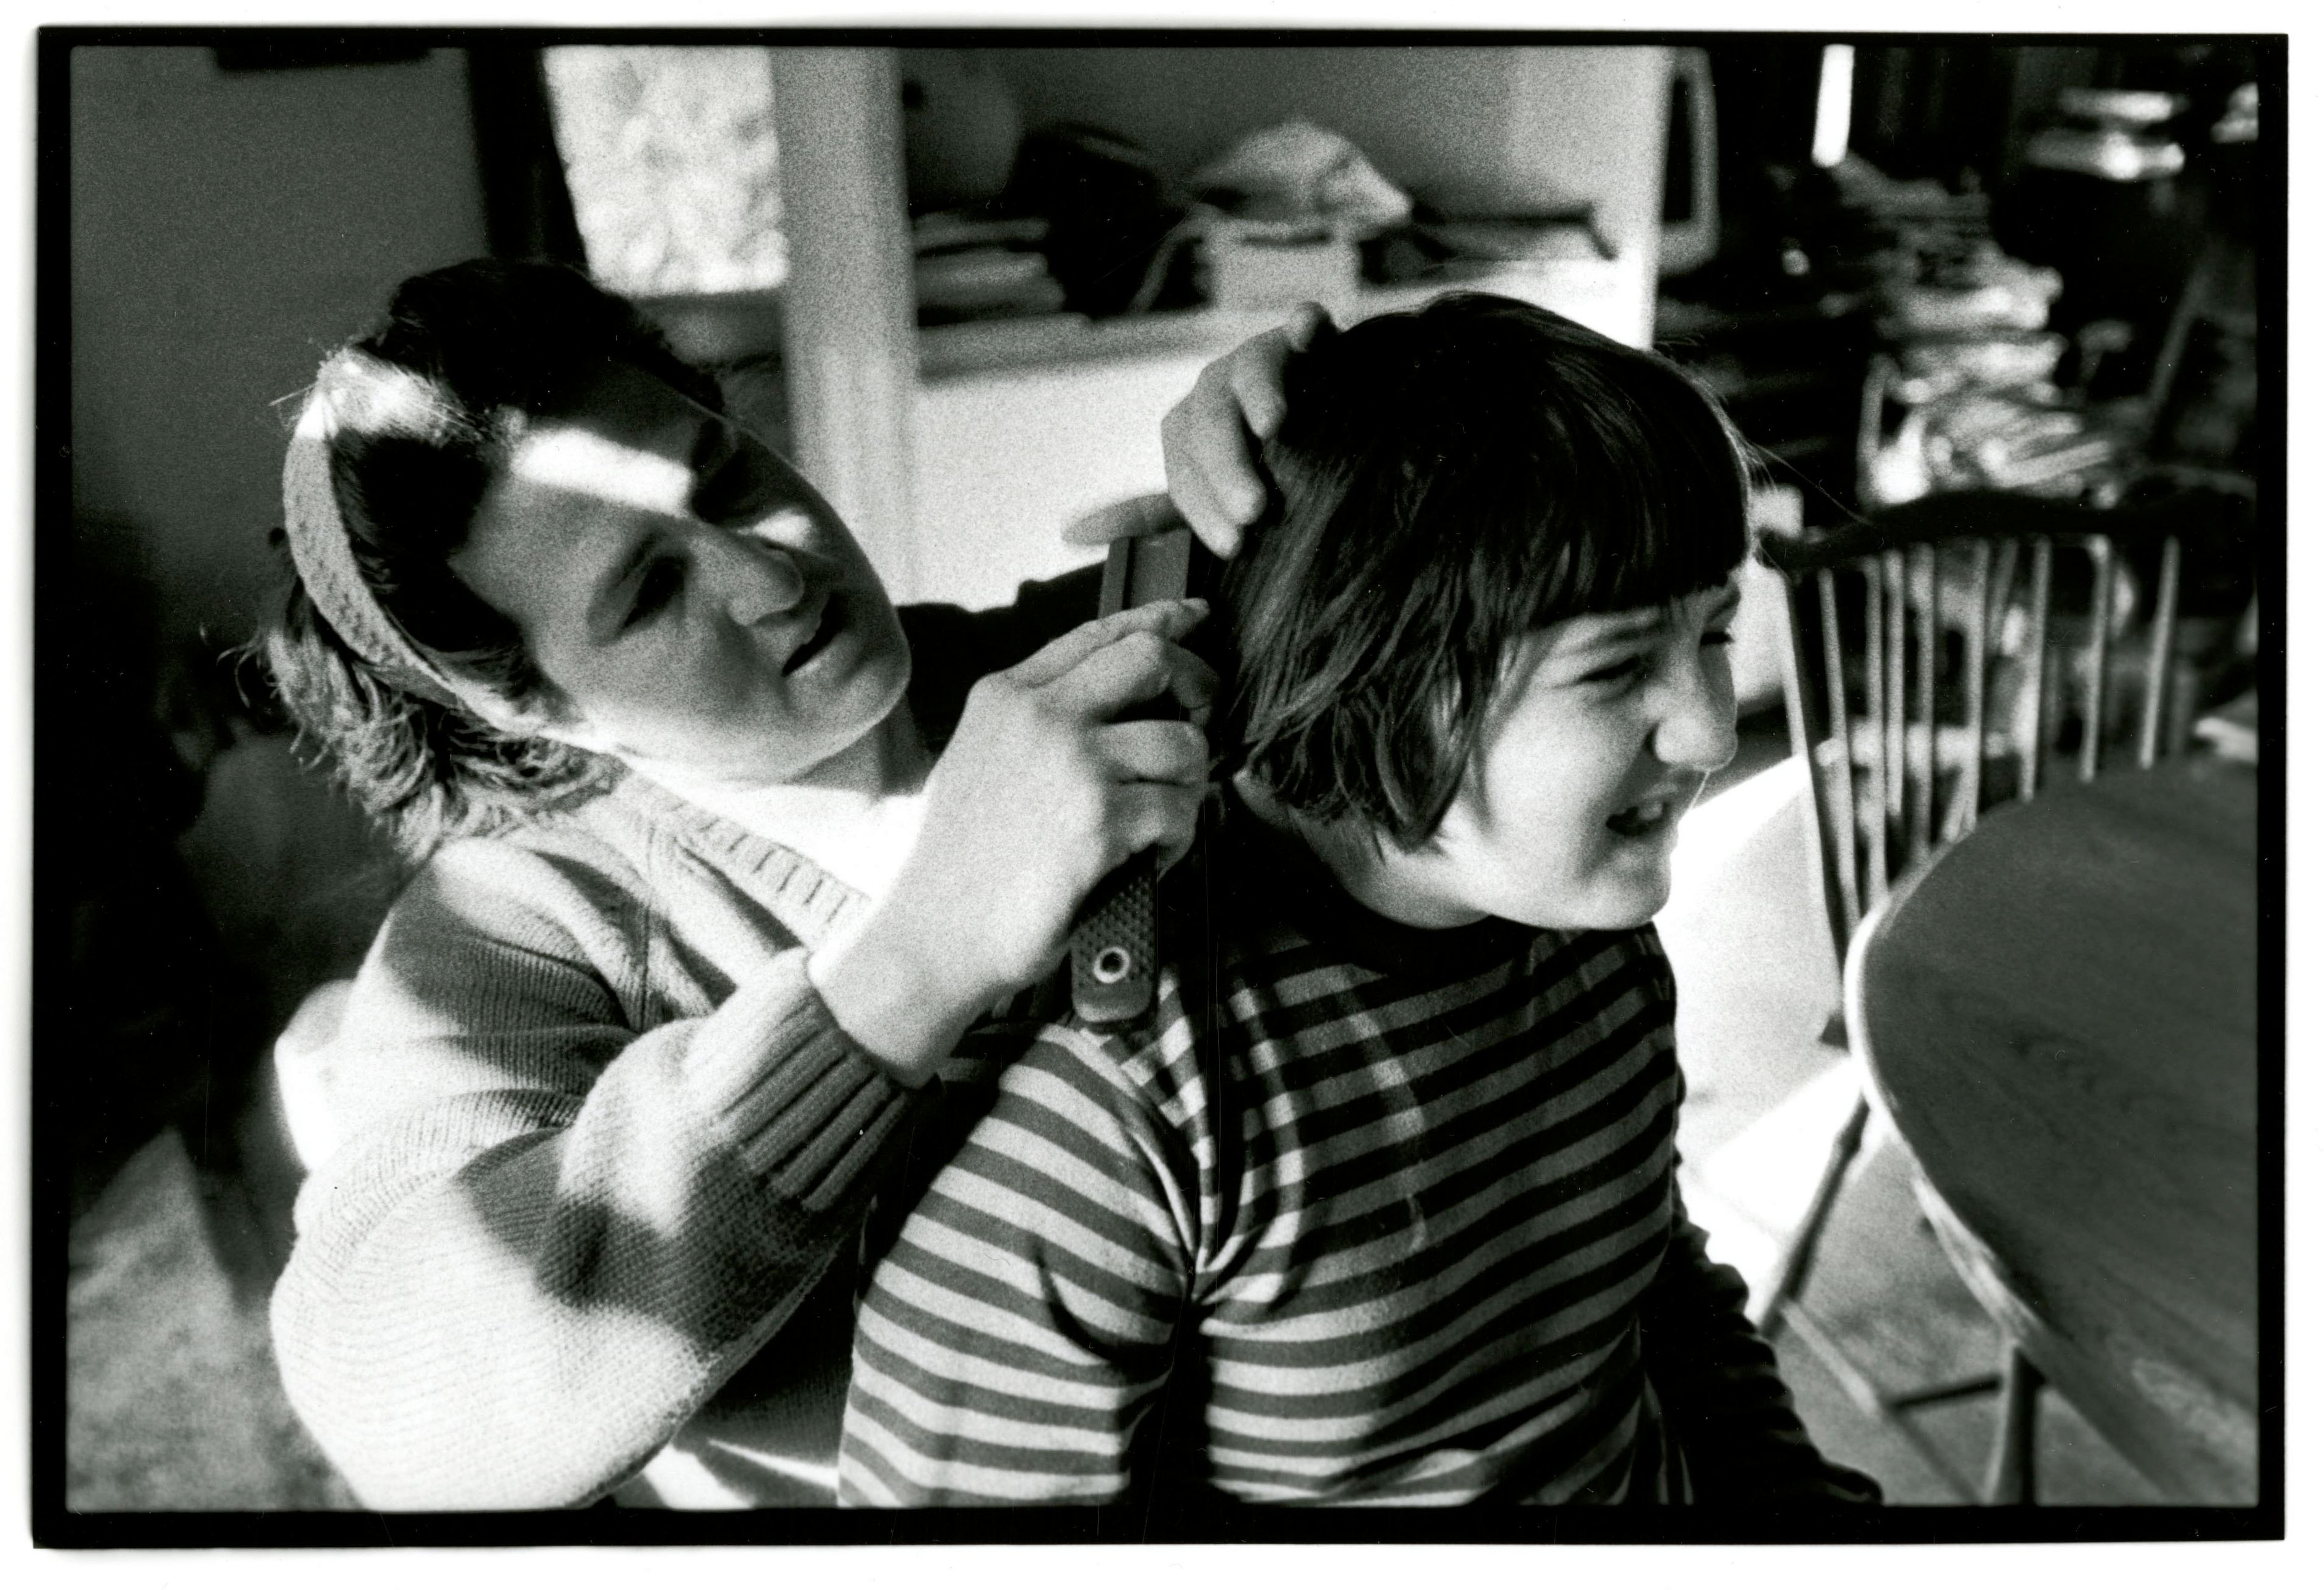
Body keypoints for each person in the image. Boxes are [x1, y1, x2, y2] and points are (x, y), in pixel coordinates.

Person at [257, 257, 1305, 1510]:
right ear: (528, 704)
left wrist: (1327, 451)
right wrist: (911, 966)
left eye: (729, 479)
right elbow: (401, 1415)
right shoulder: (512, 927)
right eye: (650, 591)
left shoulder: (1095, 650)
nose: (773, 576)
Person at [838, 295, 1883, 1508]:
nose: (1710, 731)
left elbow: (1644, 1281)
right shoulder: (1130, 1089)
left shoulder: (1585, 931)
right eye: (1613, 671)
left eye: (1716, 632)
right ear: (1375, 671)